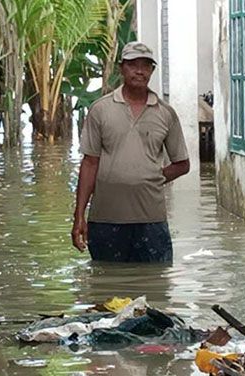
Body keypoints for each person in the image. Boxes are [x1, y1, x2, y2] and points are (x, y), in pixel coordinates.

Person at [71, 41, 190, 263]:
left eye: (146, 66)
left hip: (151, 220)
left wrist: (151, 178)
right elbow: (89, 164)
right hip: (105, 218)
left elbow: (182, 164)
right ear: (121, 68)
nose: (139, 71)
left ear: (152, 71)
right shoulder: (101, 110)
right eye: (133, 64)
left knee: (155, 286)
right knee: (106, 287)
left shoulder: (165, 113)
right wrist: (79, 216)